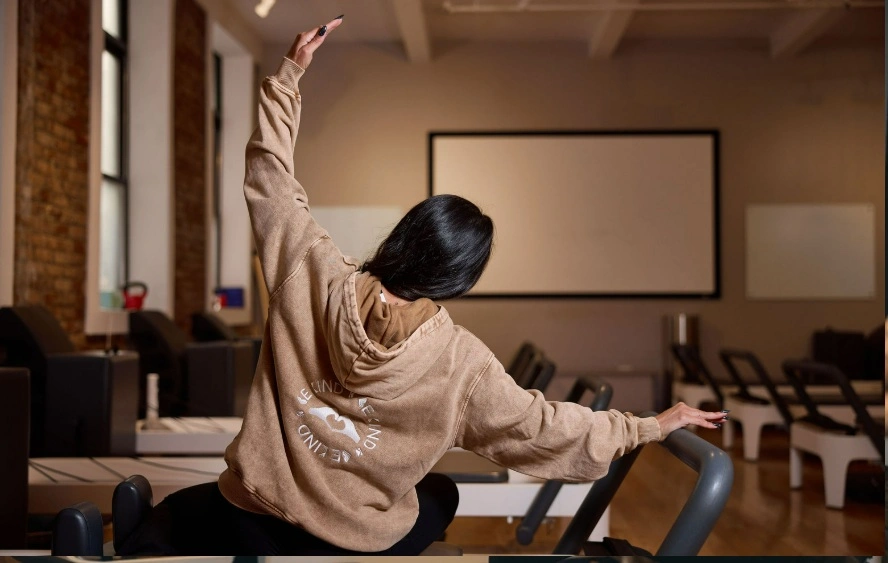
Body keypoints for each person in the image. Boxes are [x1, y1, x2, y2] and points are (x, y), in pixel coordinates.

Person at [120, 16, 727, 557]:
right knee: (437, 495)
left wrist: (289, 78)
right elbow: (544, 430)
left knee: (176, 513)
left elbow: (270, 179)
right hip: (350, 542)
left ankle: (162, 536)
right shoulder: (463, 364)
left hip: (258, 513)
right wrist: (647, 424)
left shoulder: (310, 268)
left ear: (406, 235)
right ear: (459, 278)